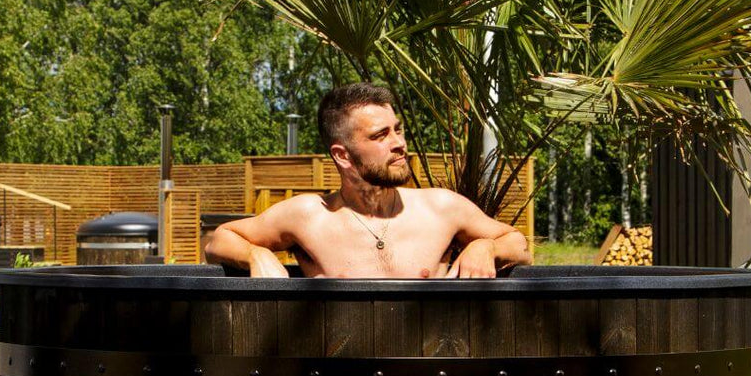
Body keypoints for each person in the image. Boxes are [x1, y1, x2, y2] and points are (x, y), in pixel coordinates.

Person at [205, 82, 532, 279]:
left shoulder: (441, 207)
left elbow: (519, 245)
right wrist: (256, 255)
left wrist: (485, 245)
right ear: (343, 155)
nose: (399, 143)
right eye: (380, 135)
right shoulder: (309, 215)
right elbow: (219, 240)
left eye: (398, 129)